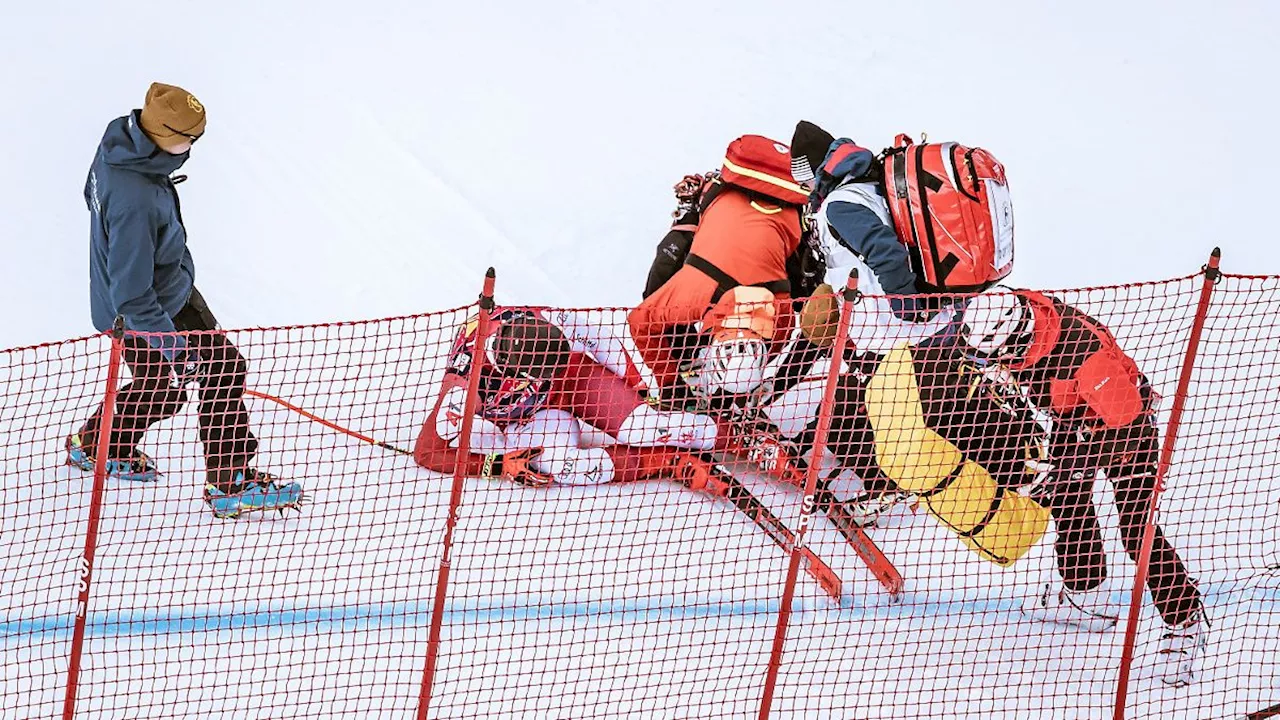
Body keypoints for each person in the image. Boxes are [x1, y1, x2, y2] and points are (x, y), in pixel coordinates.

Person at [67, 82, 303, 520]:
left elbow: (93, 199)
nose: (192, 147)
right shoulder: (134, 198)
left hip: (153, 296)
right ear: (164, 134)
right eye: (189, 139)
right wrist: (176, 349)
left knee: (160, 389)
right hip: (148, 311)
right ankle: (231, 481)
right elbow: (133, 292)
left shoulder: (122, 143)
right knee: (223, 366)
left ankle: (98, 445)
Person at [960, 287, 1206, 686]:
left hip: (1125, 431)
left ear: (1018, 337)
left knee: (1135, 530)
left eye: (1003, 355)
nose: (1000, 363)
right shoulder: (1027, 320)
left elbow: (1126, 412)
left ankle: (1184, 616)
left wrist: (1090, 446)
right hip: (1076, 416)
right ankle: (1085, 594)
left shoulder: (1085, 360)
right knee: (1068, 502)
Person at [414, 308, 772, 488]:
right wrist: (494, 465)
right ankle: (669, 462)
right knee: (558, 466)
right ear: (517, 375)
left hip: (576, 379)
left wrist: (637, 386)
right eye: (542, 372)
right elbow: (428, 451)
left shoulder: (538, 318)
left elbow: (596, 337)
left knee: (642, 427)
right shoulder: (464, 386)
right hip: (527, 416)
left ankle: (744, 440)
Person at [628, 135, 809, 407]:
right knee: (662, 274)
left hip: (777, 208)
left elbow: (780, 337)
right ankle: (691, 210)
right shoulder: (696, 290)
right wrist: (670, 383)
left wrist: (670, 382)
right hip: (724, 199)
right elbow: (639, 322)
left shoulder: (780, 311)